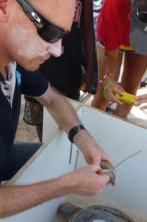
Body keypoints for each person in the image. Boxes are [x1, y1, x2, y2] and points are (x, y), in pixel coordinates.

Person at [0, 0, 113, 222]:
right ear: (1, 5)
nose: (57, 51)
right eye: (49, 31)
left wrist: (85, 139)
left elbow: (51, 98)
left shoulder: (3, 44)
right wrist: (64, 185)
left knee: (48, 160)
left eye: (63, 35)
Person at [24, 0, 96, 141]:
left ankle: (64, 147)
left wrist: (90, 68)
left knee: (67, 110)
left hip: (69, 64)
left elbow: (87, 28)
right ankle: (43, 144)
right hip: (40, 58)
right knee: (40, 110)